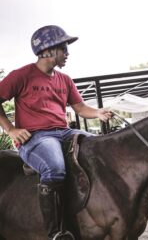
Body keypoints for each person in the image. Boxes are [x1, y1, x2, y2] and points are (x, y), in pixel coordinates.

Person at [0, 25, 112, 240]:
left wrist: (98, 112)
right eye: (63, 48)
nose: (67, 53)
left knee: (101, 148)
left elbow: (80, 108)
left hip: (64, 132)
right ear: (47, 51)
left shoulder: (65, 80)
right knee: (55, 169)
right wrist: (11, 130)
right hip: (36, 138)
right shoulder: (20, 76)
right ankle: (56, 232)